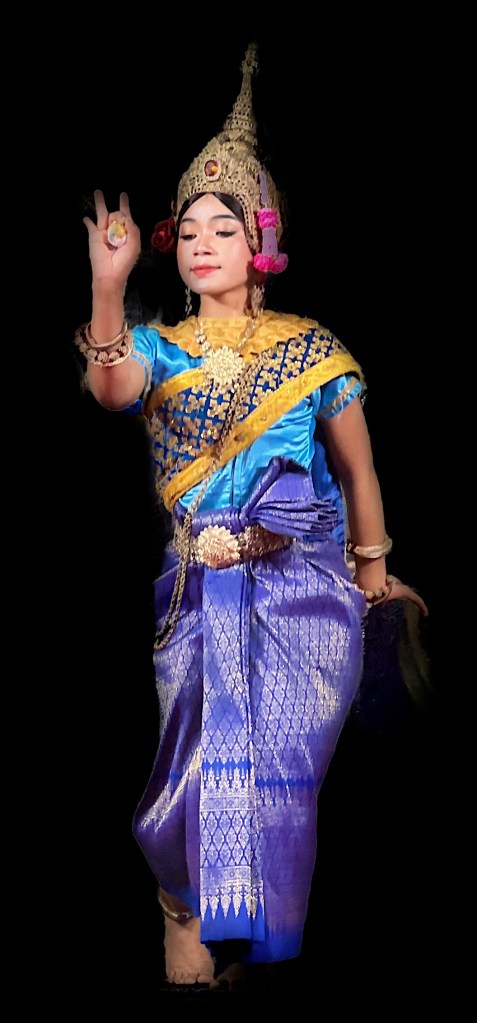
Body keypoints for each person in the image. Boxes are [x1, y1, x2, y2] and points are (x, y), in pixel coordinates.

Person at [77, 42, 428, 992]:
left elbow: (356, 472)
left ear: (258, 241)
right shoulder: (160, 347)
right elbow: (112, 388)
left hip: (301, 604)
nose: (199, 243)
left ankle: (237, 964)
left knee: (274, 784)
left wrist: (370, 575)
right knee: (184, 799)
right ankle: (189, 940)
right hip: (196, 600)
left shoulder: (312, 351)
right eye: (187, 229)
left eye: (221, 228)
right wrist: (108, 284)